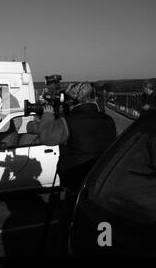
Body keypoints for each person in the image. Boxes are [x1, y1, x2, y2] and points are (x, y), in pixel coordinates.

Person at [36, 82, 117, 254]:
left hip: (76, 185)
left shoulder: (69, 122)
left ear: (71, 100)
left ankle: (68, 249)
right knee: (102, 224)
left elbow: (46, 137)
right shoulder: (108, 120)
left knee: (70, 226)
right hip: (102, 183)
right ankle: (106, 248)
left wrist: (48, 115)